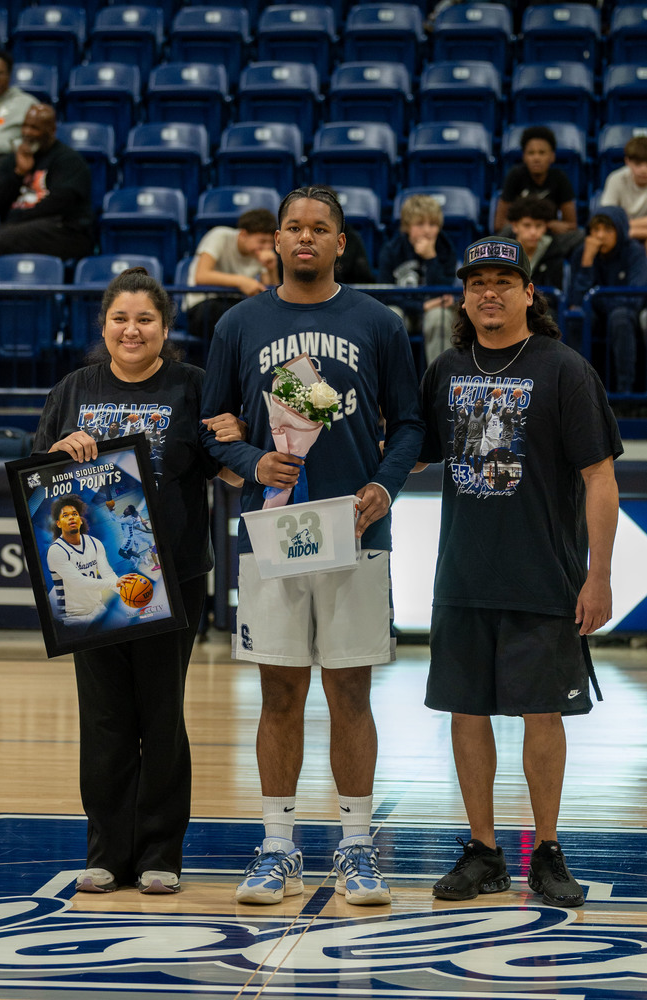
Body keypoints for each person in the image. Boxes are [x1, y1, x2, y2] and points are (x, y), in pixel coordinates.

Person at [199, 186, 424, 906]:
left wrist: (382, 488)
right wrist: (251, 464)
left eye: (317, 228)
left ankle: (356, 849)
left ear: (339, 242)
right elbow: (211, 425)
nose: (303, 237)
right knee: (279, 691)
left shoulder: (376, 321)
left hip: (356, 533)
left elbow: (412, 424)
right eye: (292, 227)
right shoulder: (240, 321)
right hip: (273, 534)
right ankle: (276, 848)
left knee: (351, 691)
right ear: (274, 243)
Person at [417, 236, 622, 908]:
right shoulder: (445, 368)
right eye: (477, 282)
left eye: (504, 280)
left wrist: (598, 575)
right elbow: (408, 451)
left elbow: (598, 477)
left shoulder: (563, 369)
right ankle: (482, 850)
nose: (489, 293)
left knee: (542, 716)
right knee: (465, 712)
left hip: (544, 579)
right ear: (463, 296)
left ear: (529, 293)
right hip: (463, 580)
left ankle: (547, 850)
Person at [33, 267, 243, 896]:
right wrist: (56, 452)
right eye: (121, 319)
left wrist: (238, 441)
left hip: (169, 580)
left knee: (161, 716)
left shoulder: (193, 386)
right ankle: (106, 852)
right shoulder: (75, 388)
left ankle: (159, 855)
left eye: (145, 319)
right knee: (103, 719)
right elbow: (38, 469)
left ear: (165, 328)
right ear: (104, 326)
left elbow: (229, 474)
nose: (132, 330)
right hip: (94, 586)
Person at [0, 103, 94, 270]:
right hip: (18, 228)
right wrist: (19, 173)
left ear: (51, 131)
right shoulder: (15, 160)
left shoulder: (68, 160)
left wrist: (17, 217)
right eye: (25, 126)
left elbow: (60, 203)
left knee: (8, 237)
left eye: (34, 128)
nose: (27, 132)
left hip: (65, 231)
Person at [569, 206, 647, 394]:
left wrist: (596, 299)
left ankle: (624, 394)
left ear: (619, 231)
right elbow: (576, 301)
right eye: (595, 230)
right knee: (577, 319)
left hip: (624, 316)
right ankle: (577, 392)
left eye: (607, 230)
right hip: (597, 314)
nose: (600, 236)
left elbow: (636, 297)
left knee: (620, 317)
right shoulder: (582, 253)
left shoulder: (634, 252)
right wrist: (587, 262)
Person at [378, 193, 457, 366]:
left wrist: (431, 257)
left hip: (431, 313)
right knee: (391, 315)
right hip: (403, 311)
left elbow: (445, 289)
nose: (428, 230)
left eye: (433, 224)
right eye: (420, 224)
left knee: (440, 315)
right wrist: (422, 306)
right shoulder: (391, 250)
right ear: (407, 226)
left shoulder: (445, 247)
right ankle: (391, 386)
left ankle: (439, 382)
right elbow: (385, 294)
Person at [186, 208, 280, 352]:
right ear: (243, 234)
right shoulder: (219, 235)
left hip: (235, 307)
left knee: (266, 315)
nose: (267, 247)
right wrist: (241, 281)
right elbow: (201, 276)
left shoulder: (260, 254)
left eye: (270, 242)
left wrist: (271, 268)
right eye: (262, 241)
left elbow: (269, 292)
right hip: (203, 306)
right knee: (242, 318)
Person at [47, 496, 135, 628]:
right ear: (58, 524)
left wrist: (128, 590)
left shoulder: (94, 543)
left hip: (98, 609)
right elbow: (79, 582)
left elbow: (108, 574)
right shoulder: (56, 551)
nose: (71, 517)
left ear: (80, 520)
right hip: (72, 617)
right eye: (65, 515)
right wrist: (114, 582)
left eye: (74, 514)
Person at [494, 126, 577, 235]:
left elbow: (572, 224)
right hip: (520, 235)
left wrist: (544, 226)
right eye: (531, 153)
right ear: (524, 157)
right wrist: (526, 228)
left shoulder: (559, 178)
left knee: (578, 236)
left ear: (552, 156)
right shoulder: (515, 175)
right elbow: (499, 224)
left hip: (548, 235)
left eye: (542, 153)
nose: (536, 158)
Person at [0, 51, 35, 188]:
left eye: (0, 73)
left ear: (10, 75)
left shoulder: (27, 103)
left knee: (6, 167)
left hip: (4, 162)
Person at [600, 135, 647, 249]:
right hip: (619, 233)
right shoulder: (615, 179)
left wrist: (629, 231)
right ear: (627, 161)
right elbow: (607, 219)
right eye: (638, 164)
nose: (644, 169)